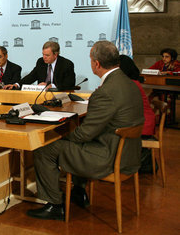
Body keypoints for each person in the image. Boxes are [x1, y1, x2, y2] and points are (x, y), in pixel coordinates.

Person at [26, 41, 144, 221]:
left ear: (96, 63)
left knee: (45, 148)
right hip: (130, 153)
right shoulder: (130, 84)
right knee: (75, 143)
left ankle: (55, 205)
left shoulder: (106, 91)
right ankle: (78, 191)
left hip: (107, 156)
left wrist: (61, 135)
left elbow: (85, 134)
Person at [6, 41, 75, 90]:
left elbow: (69, 84)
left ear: (55, 55)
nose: (44, 57)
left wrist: (52, 86)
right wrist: (16, 85)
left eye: (47, 55)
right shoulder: (41, 62)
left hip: (59, 97)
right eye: (43, 54)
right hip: (41, 96)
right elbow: (31, 76)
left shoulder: (66, 64)